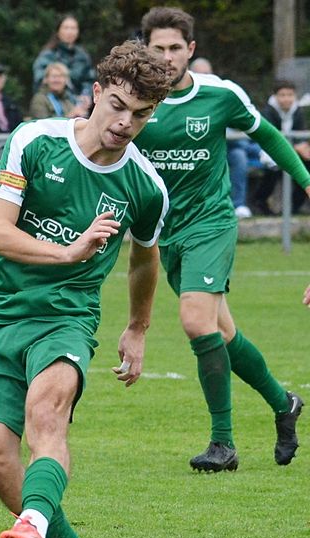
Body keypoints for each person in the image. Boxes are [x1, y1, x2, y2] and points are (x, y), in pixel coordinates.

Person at [0, 40, 171, 538]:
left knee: (46, 416)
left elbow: (144, 258)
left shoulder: (146, 186)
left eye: (143, 114)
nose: (127, 123)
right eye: (120, 106)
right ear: (96, 93)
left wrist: (138, 327)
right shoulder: (35, 139)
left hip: (67, 318)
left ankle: (30, 522)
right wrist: (70, 251)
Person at [135, 6, 306, 472]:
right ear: (144, 49)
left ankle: (223, 443)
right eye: (158, 48)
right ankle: (283, 401)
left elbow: (267, 134)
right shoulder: (132, 101)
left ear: (190, 50)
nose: (167, 57)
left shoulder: (220, 95)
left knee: (195, 321)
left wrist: (306, 179)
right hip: (164, 234)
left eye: (175, 48)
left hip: (211, 222)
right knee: (221, 333)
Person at [189, 57, 257, 219]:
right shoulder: (182, 99)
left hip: (228, 148)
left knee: (239, 154)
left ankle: (238, 205)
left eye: (206, 73)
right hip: (194, 152)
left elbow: (251, 127)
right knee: (244, 148)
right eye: (199, 73)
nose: (203, 77)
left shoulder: (223, 95)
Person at [252, 79, 310, 216]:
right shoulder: (267, 112)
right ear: (276, 96)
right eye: (282, 95)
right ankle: (260, 202)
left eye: (290, 95)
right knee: (273, 167)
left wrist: (303, 148)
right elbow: (270, 139)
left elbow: (300, 136)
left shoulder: (298, 112)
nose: (286, 99)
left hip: (293, 152)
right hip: (268, 153)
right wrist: (296, 148)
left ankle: (293, 208)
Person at [32, 14, 96, 109]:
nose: (69, 32)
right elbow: (40, 80)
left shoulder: (82, 55)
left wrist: (86, 94)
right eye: (66, 28)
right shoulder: (48, 55)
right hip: (54, 105)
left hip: (82, 105)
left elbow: (89, 78)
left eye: (73, 28)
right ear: (58, 31)